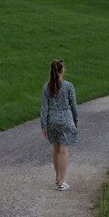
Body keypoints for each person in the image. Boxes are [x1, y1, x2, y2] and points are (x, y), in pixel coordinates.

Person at [40, 59, 78, 191]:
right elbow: (73, 106)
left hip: (52, 121)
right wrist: (75, 121)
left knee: (56, 150)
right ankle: (62, 181)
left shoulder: (47, 87)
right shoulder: (68, 86)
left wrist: (43, 125)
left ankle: (57, 178)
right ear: (62, 71)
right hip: (66, 120)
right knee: (64, 151)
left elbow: (44, 108)